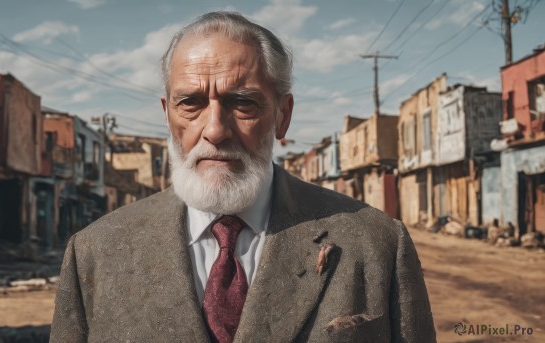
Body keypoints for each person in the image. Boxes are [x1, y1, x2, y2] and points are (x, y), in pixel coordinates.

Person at [50, 11, 436, 343]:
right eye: (191, 103)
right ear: (168, 115)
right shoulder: (94, 254)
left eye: (243, 102)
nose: (215, 130)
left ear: (282, 115)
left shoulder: (377, 244)